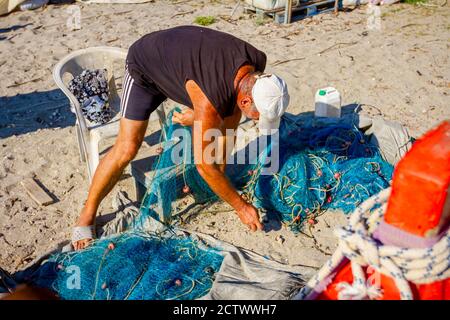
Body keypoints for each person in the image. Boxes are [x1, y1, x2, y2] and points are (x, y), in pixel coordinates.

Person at [72, 26, 290, 250]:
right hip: (145, 67)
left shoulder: (256, 63)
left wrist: (220, 178)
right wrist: (241, 207)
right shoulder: (211, 100)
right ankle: (87, 213)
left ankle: (198, 123)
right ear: (246, 101)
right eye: (258, 116)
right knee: (128, 146)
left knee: (226, 119)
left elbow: (228, 131)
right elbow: (204, 165)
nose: (256, 120)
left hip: (183, 70)